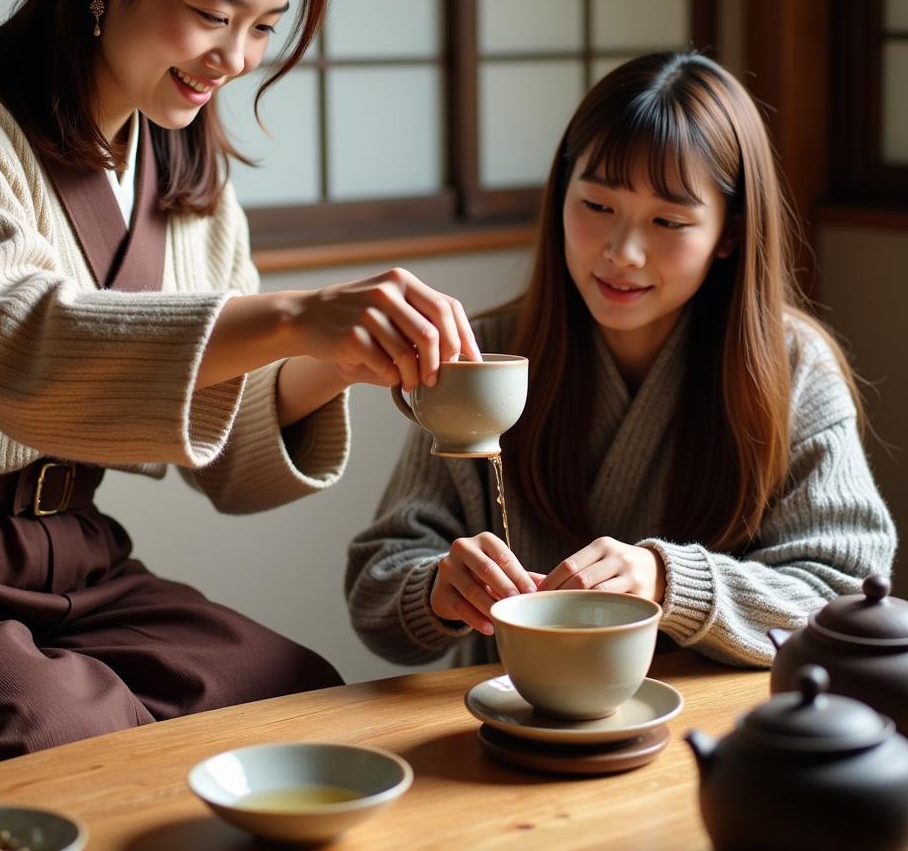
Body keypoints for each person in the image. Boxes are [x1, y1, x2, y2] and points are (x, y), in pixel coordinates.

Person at [0, 0, 479, 792]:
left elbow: (232, 458)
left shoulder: (186, 177)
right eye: (214, 12)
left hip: (75, 559)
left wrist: (341, 357)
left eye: (265, 28)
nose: (234, 59)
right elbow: (21, 349)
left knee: (293, 700)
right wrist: (296, 318)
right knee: (73, 748)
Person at [346, 50, 896, 670]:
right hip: (513, 717)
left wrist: (670, 581)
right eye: (598, 207)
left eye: (668, 220)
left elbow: (846, 595)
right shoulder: (480, 356)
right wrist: (437, 589)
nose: (623, 252)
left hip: (711, 726)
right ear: (561, 194)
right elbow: (376, 595)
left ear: (730, 234)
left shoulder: (793, 367)